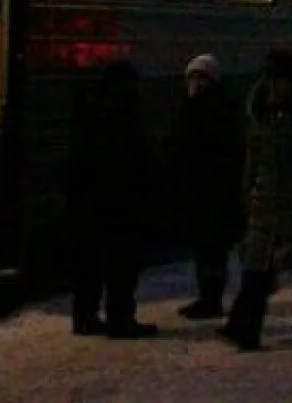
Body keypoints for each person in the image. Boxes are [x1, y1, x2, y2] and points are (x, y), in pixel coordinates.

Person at [220, 50, 292, 351]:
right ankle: (244, 329)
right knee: (257, 267)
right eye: (271, 80)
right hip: (267, 201)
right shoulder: (263, 113)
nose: (274, 86)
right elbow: (254, 158)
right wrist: (247, 192)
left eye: (279, 81)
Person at [68, 60, 158, 339]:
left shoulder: (87, 112)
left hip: (87, 200)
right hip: (121, 201)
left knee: (89, 261)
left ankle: (85, 317)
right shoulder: (125, 115)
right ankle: (120, 319)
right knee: (122, 263)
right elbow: (137, 159)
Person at [171, 54, 244, 320]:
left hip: (215, 193)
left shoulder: (215, 110)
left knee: (212, 250)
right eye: (192, 77)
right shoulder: (197, 107)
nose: (195, 83)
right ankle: (207, 297)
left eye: (201, 77)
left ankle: (211, 301)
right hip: (201, 192)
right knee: (205, 249)